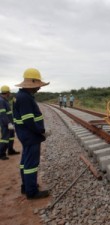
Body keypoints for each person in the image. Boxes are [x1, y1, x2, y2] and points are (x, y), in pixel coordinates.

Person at [13, 68, 50, 199]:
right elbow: (29, 120)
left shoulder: (22, 96)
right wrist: (41, 132)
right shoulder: (25, 98)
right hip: (30, 136)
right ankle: (32, 191)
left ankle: (26, 186)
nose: (39, 88)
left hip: (26, 135)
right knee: (31, 164)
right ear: (31, 84)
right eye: (37, 86)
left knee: (25, 161)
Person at [0, 85, 20, 160]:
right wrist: (8, 123)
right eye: (9, 92)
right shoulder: (1, 101)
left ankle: (10, 150)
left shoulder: (5, 100)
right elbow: (3, 114)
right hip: (5, 123)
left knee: (11, 137)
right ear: (7, 92)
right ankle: (1, 153)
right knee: (5, 138)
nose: (10, 93)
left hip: (9, 123)